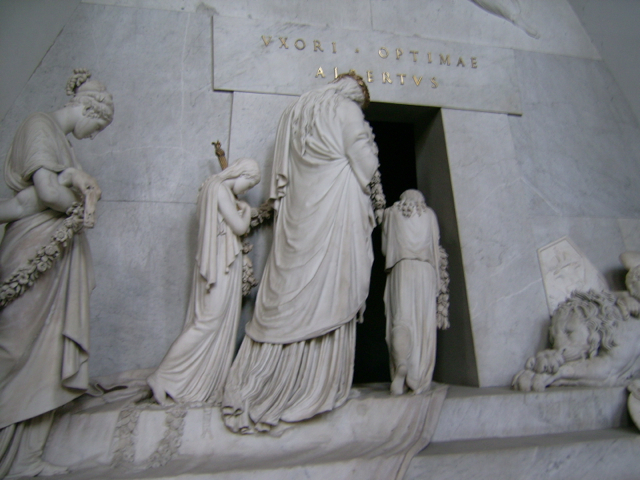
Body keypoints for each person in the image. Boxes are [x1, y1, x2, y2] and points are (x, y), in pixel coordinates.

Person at [222, 73, 379, 433]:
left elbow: (283, 174)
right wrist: (371, 149)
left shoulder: (295, 112)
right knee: (331, 291)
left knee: (295, 290)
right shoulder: (346, 110)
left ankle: (269, 377)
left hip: (299, 213)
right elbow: (365, 163)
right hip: (335, 213)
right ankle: (315, 385)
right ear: (354, 94)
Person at [0, 69, 113, 477]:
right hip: (33, 251)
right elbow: (46, 194)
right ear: (87, 109)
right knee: (15, 349)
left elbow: (48, 191)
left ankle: (25, 459)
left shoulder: (63, 143)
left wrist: (72, 181)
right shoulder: (39, 124)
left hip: (57, 254)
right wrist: (80, 198)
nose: (94, 135)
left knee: (48, 356)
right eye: (97, 127)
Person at [147, 158, 260, 406]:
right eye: (250, 184)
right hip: (219, 267)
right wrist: (245, 211)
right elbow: (240, 228)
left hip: (223, 264)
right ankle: (162, 376)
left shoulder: (214, 188)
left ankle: (191, 381)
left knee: (210, 322)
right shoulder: (219, 189)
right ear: (241, 174)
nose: (247, 190)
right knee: (207, 322)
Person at [382, 190, 442, 395]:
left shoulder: (392, 213)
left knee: (402, 321)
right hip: (426, 271)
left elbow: (385, 249)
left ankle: (402, 364)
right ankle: (418, 375)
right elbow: (436, 246)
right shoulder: (430, 215)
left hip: (402, 267)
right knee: (423, 324)